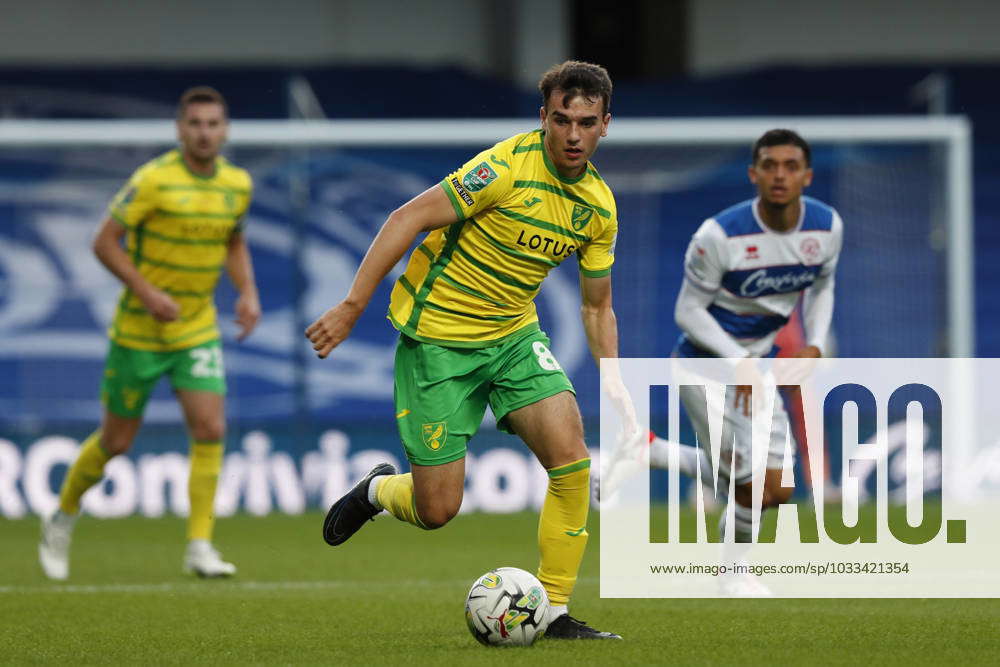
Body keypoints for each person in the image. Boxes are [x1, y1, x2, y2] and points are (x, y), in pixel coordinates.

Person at [307, 61, 630, 639]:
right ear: (544, 119)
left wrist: (617, 386)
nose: (573, 135)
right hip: (440, 342)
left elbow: (596, 308)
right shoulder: (504, 169)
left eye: (586, 122)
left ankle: (552, 610)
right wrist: (352, 305)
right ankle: (378, 489)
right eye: (561, 120)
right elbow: (406, 218)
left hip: (513, 338)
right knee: (437, 510)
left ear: (606, 124)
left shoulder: (600, 208)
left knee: (572, 462)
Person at [38, 86, 260, 580]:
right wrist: (145, 291)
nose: (204, 133)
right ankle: (63, 515)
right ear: (180, 130)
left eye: (213, 124)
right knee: (116, 441)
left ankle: (199, 545)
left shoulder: (236, 184)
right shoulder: (154, 180)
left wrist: (247, 292)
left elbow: (235, 241)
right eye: (195, 124)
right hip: (139, 330)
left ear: (225, 131)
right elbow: (104, 242)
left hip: (196, 327)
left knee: (211, 428)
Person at [648, 129, 841, 594]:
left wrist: (813, 342)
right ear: (753, 174)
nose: (780, 175)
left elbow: (822, 285)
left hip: (758, 368)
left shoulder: (826, 228)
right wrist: (738, 361)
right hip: (705, 368)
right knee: (748, 483)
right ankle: (732, 575)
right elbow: (686, 311)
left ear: (807, 176)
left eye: (790, 166)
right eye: (770, 166)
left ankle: (650, 451)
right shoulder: (719, 236)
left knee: (780, 489)